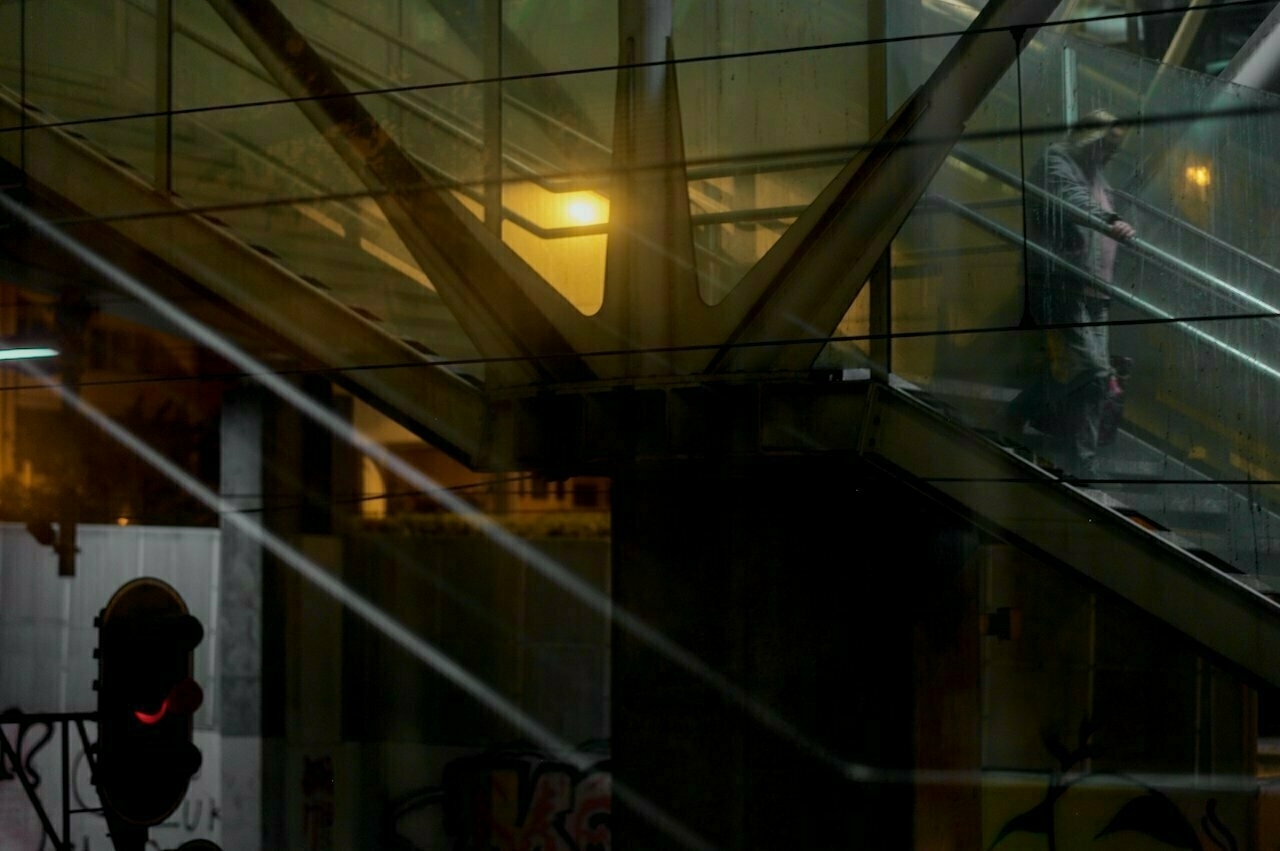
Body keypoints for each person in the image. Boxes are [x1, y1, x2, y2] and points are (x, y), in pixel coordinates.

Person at [1006, 109, 1137, 480]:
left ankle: (1077, 458)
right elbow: (1071, 199)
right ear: (1090, 139)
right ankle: (1073, 454)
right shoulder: (1056, 160)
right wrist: (1111, 222)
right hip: (1061, 283)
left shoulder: (1097, 174)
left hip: (1095, 288)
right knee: (1092, 373)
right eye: (1108, 146)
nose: (1111, 155)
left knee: (1087, 379)